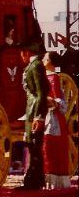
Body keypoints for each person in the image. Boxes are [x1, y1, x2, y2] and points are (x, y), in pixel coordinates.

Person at [18, 41, 49, 191]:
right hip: (32, 109)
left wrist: (39, 117)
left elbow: (41, 93)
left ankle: (34, 180)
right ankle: (35, 179)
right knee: (32, 145)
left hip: (34, 110)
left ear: (26, 52)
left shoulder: (35, 66)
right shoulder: (34, 65)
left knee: (34, 145)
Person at [42, 52, 72, 189]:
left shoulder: (52, 77)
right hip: (49, 116)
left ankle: (52, 181)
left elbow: (59, 100)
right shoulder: (46, 77)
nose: (42, 59)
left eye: (45, 58)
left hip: (52, 119)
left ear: (49, 61)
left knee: (49, 148)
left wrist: (49, 101)